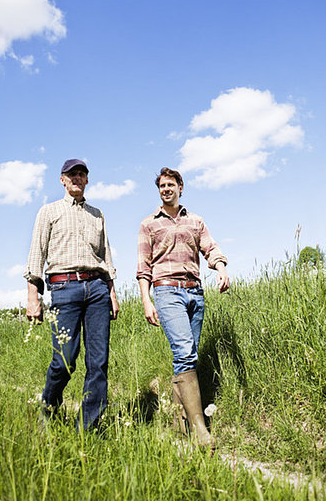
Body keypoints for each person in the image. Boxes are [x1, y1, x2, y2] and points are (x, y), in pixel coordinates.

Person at [136, 167, 229, 446]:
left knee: (187, 357)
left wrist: (221, 268)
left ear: (180, 187)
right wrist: (146, 300)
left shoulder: (196, 221)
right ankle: (201, 430)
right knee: (185, 352)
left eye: (170, 184)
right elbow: (143, 268)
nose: (166, 189)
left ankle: (179, 424)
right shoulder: (148, 224)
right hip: (166, 293)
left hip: (195, 293)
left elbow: (210, 249)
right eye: (162, 185)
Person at [24, 159, 119, 430]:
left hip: (98, 289)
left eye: (82, 174)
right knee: (64, 360)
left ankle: (85, 428)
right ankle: (48, 408)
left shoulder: (97, 214)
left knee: (98, 361)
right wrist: (33, 297)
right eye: (72, 174)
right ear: (62, 180)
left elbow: (106, 256)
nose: (77, 178)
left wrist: (112, 292)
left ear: (87, 180)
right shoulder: (48, 211)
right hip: (63, 288)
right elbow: (36, 255)